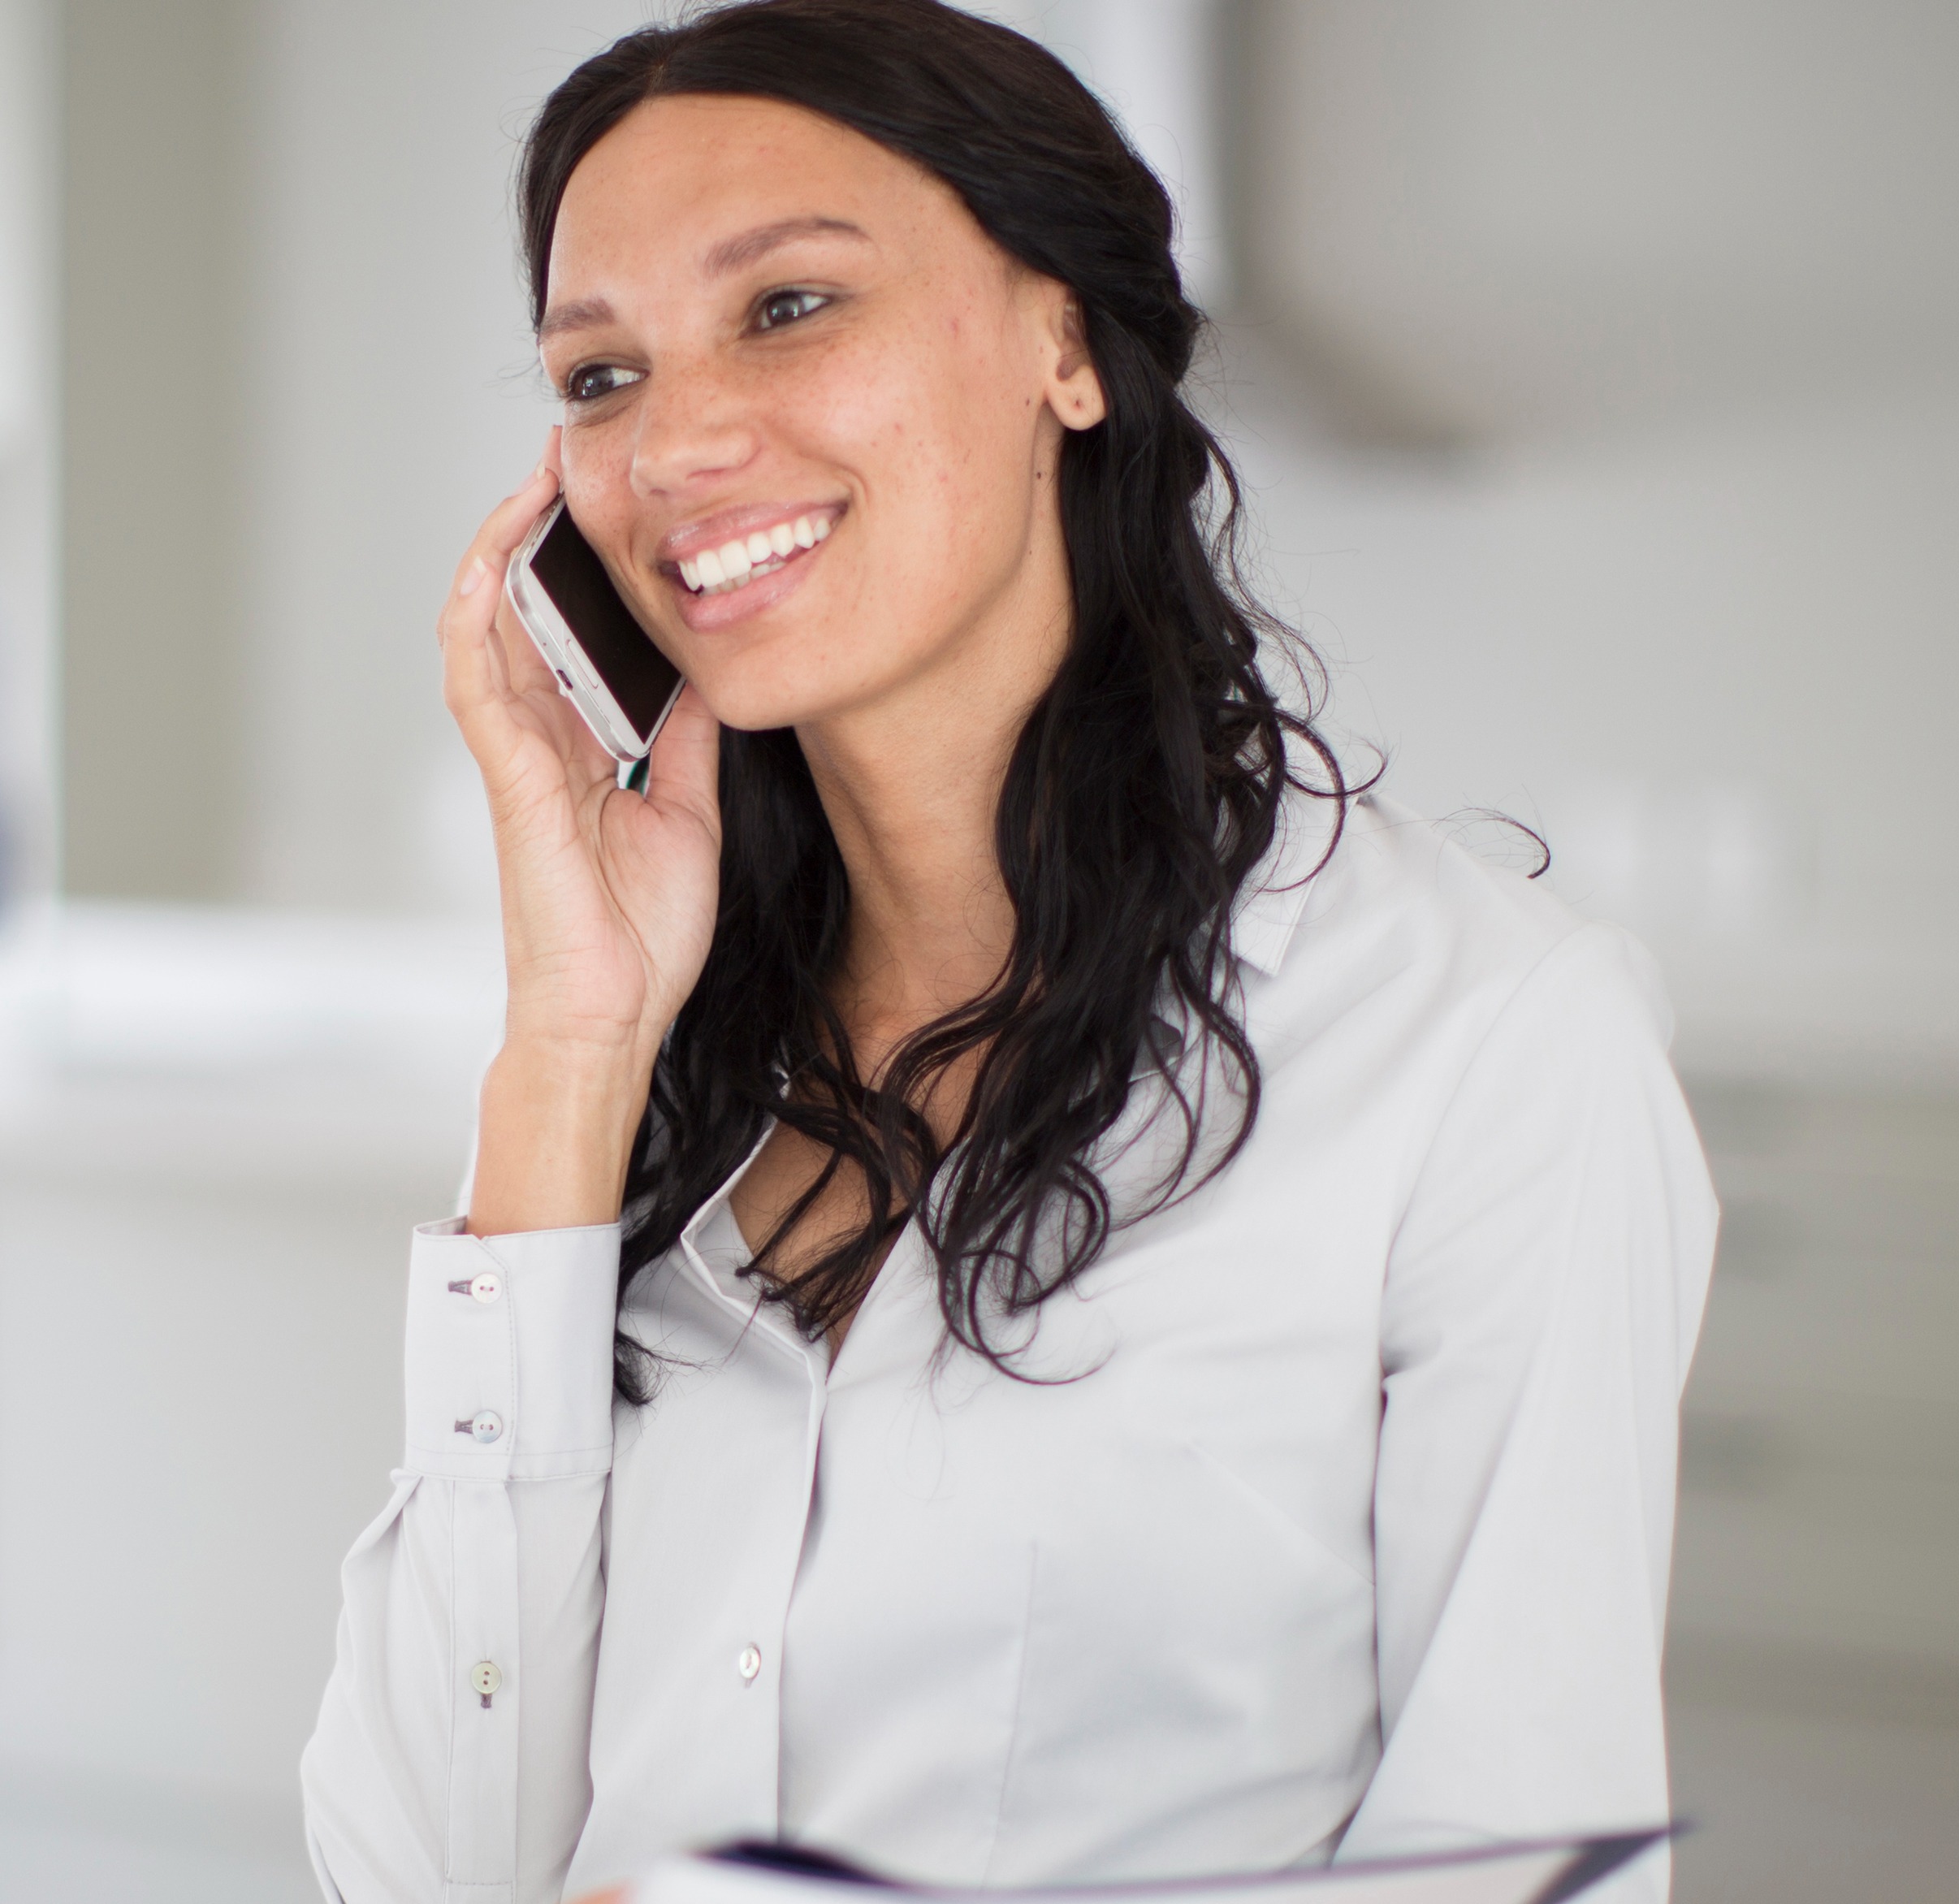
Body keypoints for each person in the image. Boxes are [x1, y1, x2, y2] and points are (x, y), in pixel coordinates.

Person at [296, 2, 1718, 1898]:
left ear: (1065, 340)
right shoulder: (647, 1056)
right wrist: (567, 1049)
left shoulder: (1486, 1042)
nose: (680, 440)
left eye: (790, 305)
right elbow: (422, 1860)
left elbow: (1526, 1873)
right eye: (602, 373)